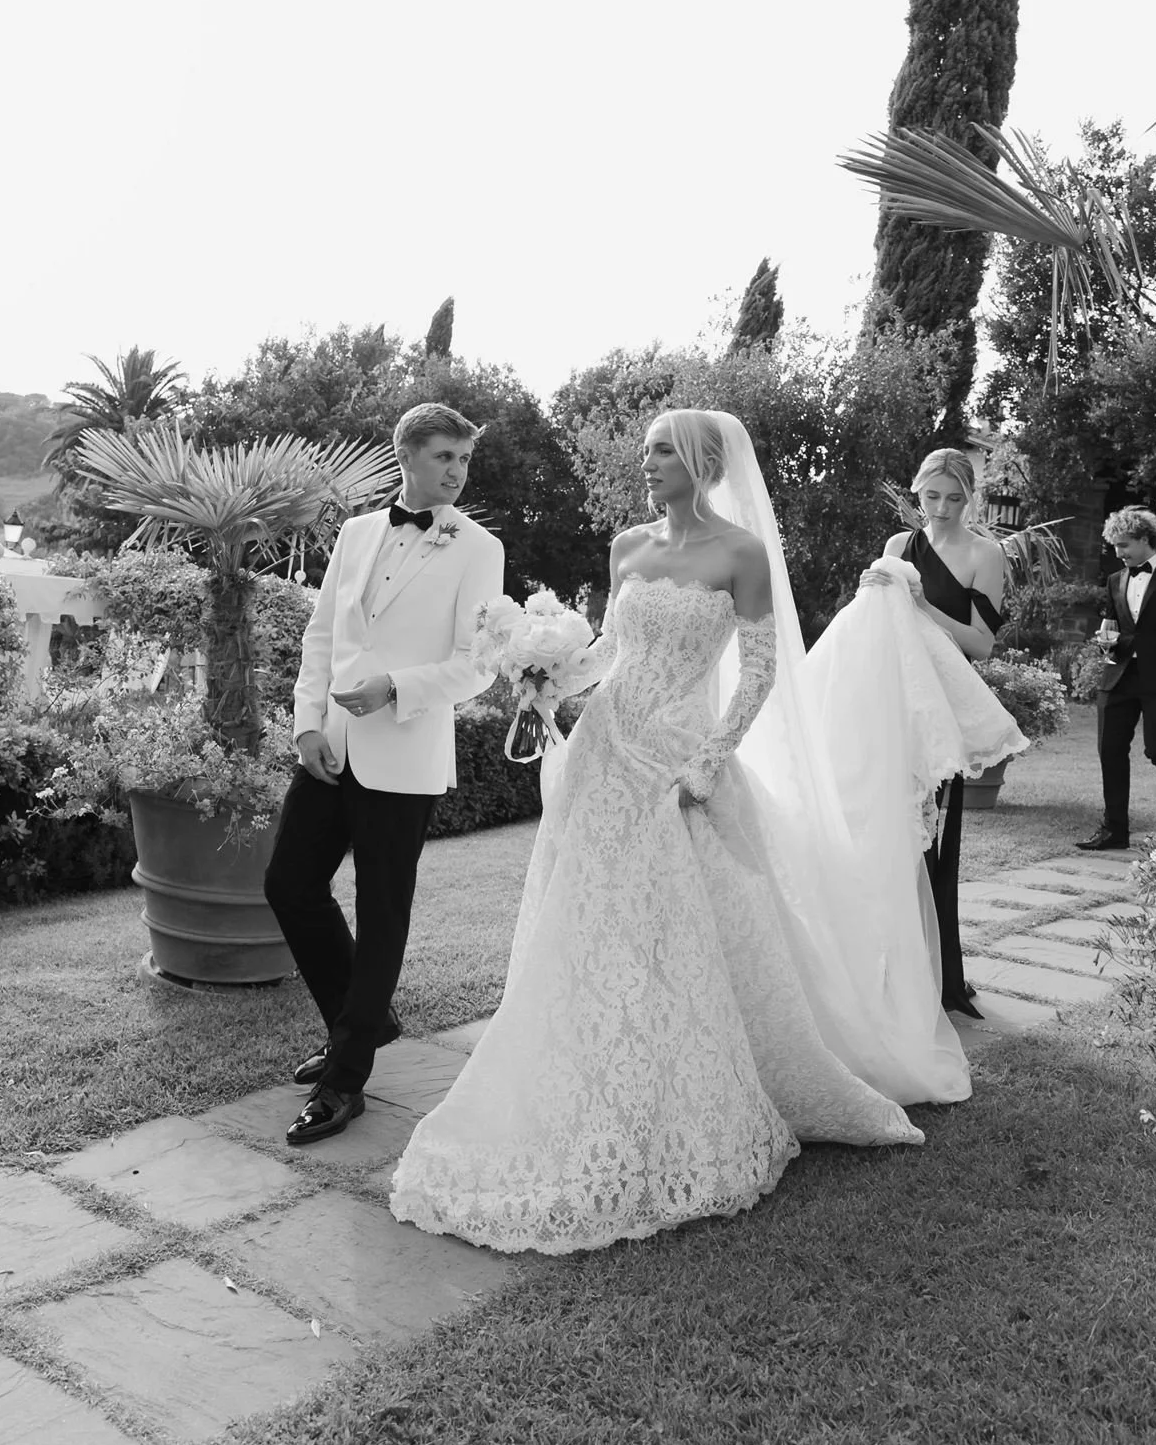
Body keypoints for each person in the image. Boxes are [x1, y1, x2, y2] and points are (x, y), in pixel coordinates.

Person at [389, 410, 942, 1259]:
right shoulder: (627, 547)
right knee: (592, 919)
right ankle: (588, 1067)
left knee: (677, 926)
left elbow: (759, 672)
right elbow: (611, 651)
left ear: (702, 464)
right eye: (644, 451)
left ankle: (680, 1083)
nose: (645, 464)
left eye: (660, 452)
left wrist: (709, 763)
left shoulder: (741, 553)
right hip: (605, 751)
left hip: (677, 762)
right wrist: (545, 674)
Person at [265, 404, 504, 1145]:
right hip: (332, 746)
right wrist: (307, 722)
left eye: (463, 459)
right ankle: (364, 1023)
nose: (456, 472)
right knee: (288, 884)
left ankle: (345, 1078)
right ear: (406, 454)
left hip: (405, 755)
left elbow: (477, 667)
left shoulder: (479, 549)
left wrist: (396, 688)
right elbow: (323, 635)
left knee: (382, 911)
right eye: (443, 457)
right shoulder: (357, 532)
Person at [857, 450, 1007, 1019]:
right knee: (884, 828)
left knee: (927, 834)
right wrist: (868, 595)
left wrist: (922, 605)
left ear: (969, 498)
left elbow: (981, 645)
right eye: (931, 496)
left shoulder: (984, 554)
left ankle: (932, 974)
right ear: (917, 492)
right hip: (890, 698)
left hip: (941, 704)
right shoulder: (899, 546)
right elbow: (877, 626)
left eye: (954, 498)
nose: (941, 509)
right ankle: (881, 964)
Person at [1077, 507, 1156, 850]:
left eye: (1124, 545)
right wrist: (1106, 641)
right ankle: (1114, 831)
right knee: (1110, 750)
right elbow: (1112, 625)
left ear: (1146, 539)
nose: (1119, 553)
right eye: (1115, 547)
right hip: (1118, 676)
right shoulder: (1115, 580)